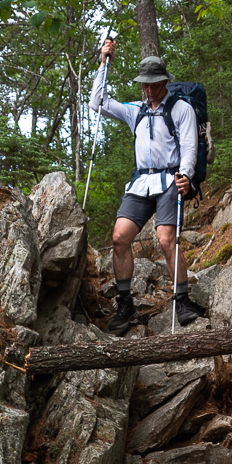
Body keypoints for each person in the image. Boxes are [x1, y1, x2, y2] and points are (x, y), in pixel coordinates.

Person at [90, 37, 203, 333]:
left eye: (155, 84)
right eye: (146, 85)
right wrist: (104, 63)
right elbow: (97, 102)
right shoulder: (135, 110)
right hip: (141, 182)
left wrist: (187, 175)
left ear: (165, 82)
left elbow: (190, 146)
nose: (150, 90)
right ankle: (125, 303)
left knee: (166, 238)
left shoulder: (181, 109)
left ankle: (183, 298)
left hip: (170, 180)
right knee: (119, 237)